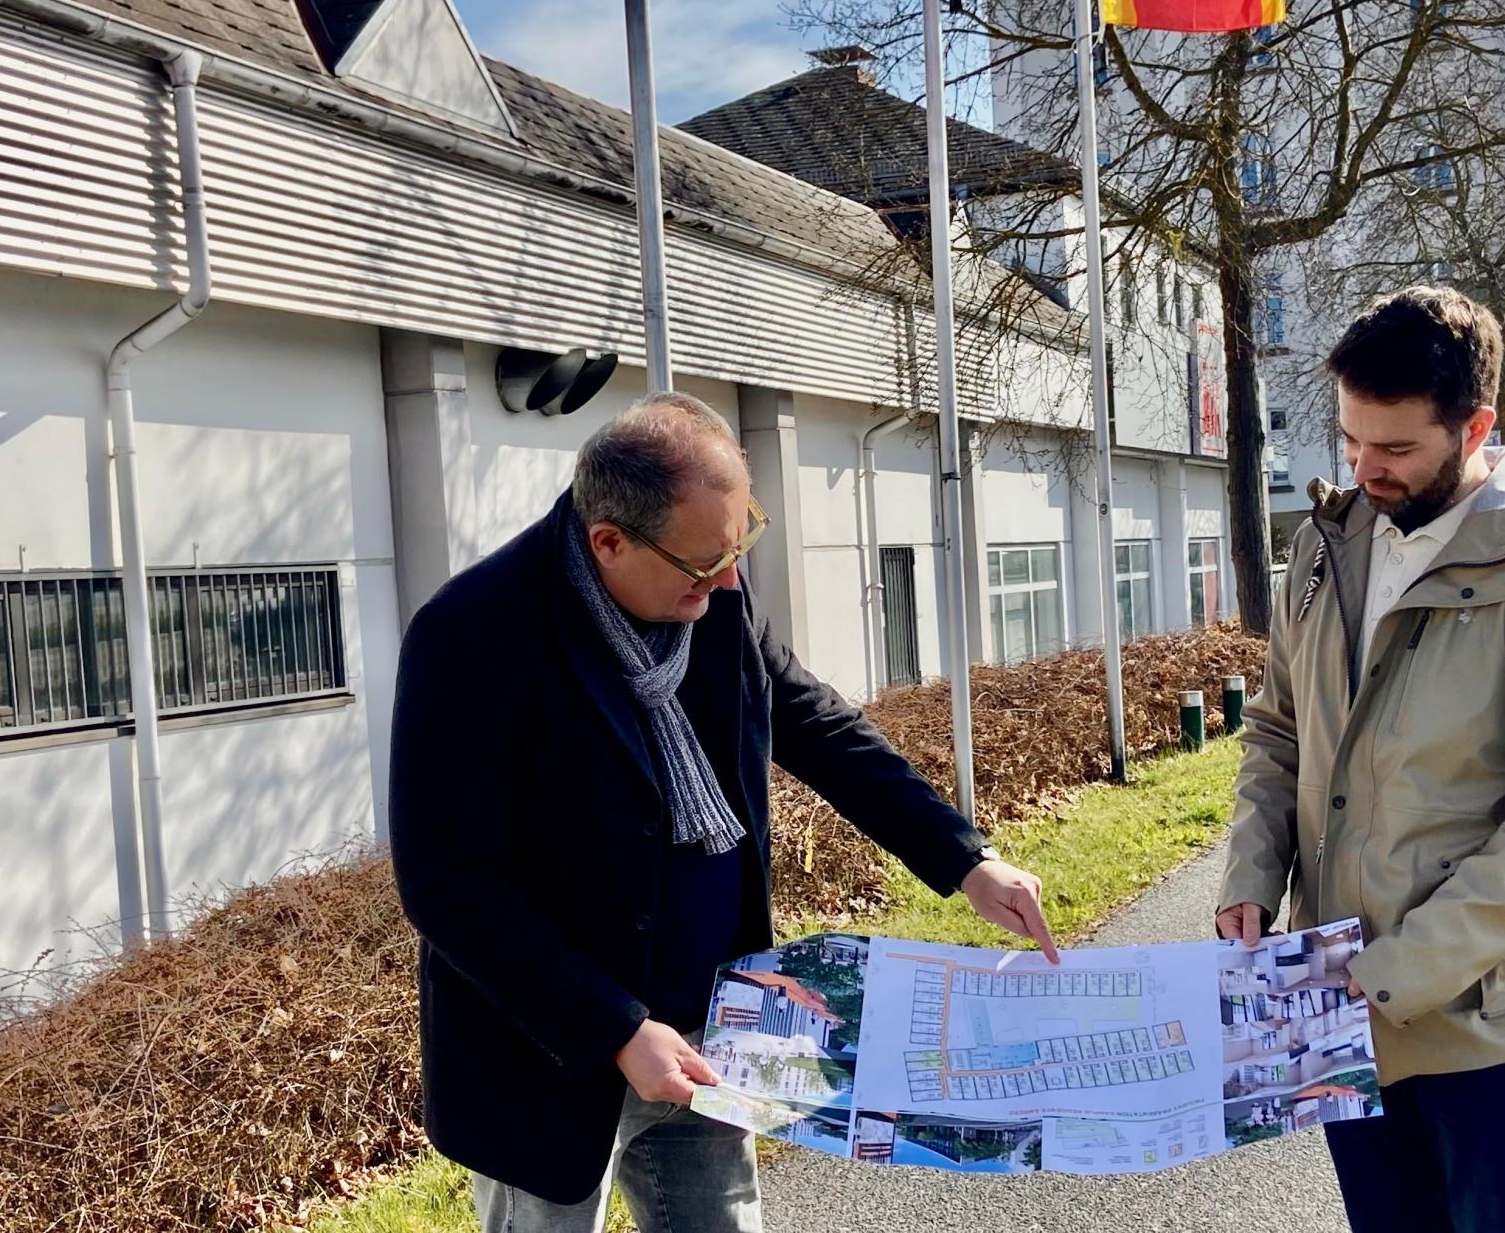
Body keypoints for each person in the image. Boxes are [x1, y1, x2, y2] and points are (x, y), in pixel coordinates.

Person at [389, 392, 1056, 1233]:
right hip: (553, 1058)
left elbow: (816, 728)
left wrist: (964, 858)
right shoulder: (472, 636)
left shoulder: (706, 595)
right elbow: (450, 886)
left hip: (712, 1025)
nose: (730, 579)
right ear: (608, 541)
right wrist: (618, 1030)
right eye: (706, 564)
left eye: (739, 544)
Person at [1216, 287, 1505, 1233]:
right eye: (1352, 441)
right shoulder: (1322, 550)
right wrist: (1249, 883)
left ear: (1474, 425)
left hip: (1489, 1027)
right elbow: (1278, 733)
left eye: (1396, 448)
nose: (1366, 470)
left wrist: (1401, 967)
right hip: (1341, 1011)